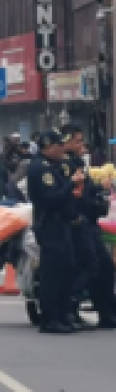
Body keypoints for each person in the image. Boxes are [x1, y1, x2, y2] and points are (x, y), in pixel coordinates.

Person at [26, 131, 82, 334]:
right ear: (48, 147)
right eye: (59, 146)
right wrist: (70, 184)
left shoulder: (53, 167)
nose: (62, 150)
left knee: (67, 270)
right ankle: (49, 318)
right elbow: (51, 199)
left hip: (61, 225)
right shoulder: (41, 169)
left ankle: (61, 314)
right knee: (53, 273)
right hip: (50, 225)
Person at [61, 125, 116, 329]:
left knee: (103, 268)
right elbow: (78, 198)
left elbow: (88, 192)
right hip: (76, 224)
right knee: (88, 268)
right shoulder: (65, 166)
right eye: (77, 141)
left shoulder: (77, 164)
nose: (81, 145)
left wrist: (100, 194)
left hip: (88, 223)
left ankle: (106, 313)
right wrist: (95, 202)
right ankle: (70, 307)